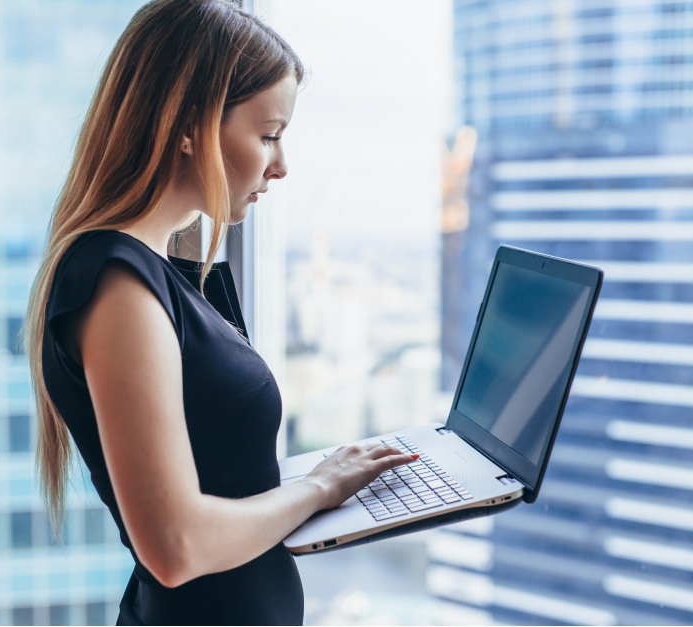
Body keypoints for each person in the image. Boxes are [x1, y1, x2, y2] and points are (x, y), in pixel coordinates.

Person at [25, 0, 417, 623]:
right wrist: (318, 489)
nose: (280, 166)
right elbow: (176, 546)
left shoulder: (156, 269)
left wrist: (319, 484)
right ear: (190, 127)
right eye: (268, 136)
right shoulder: (118, 287)